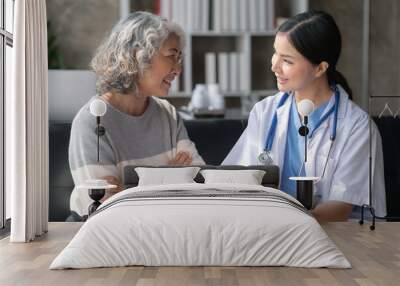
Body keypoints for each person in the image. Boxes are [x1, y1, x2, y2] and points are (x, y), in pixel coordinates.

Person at [223, 10, 386, 222]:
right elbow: (237, 179)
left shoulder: (357, 127)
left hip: (333, 235)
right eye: (275, 54)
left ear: (320, 68)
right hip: (269, 229)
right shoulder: (265, 112)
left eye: (287, 60)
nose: (274, 66)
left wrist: (290, 221)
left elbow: (340, 207)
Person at [68, 11, 204, 219]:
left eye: (179, 59)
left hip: (167, 227)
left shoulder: (167, 114)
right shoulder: (91, 121)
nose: (178, 69)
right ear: (137, 56)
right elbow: (109, 203)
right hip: (103, 233)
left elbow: (199, 182)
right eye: (171, 56)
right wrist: (170, 179)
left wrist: (137, 186)